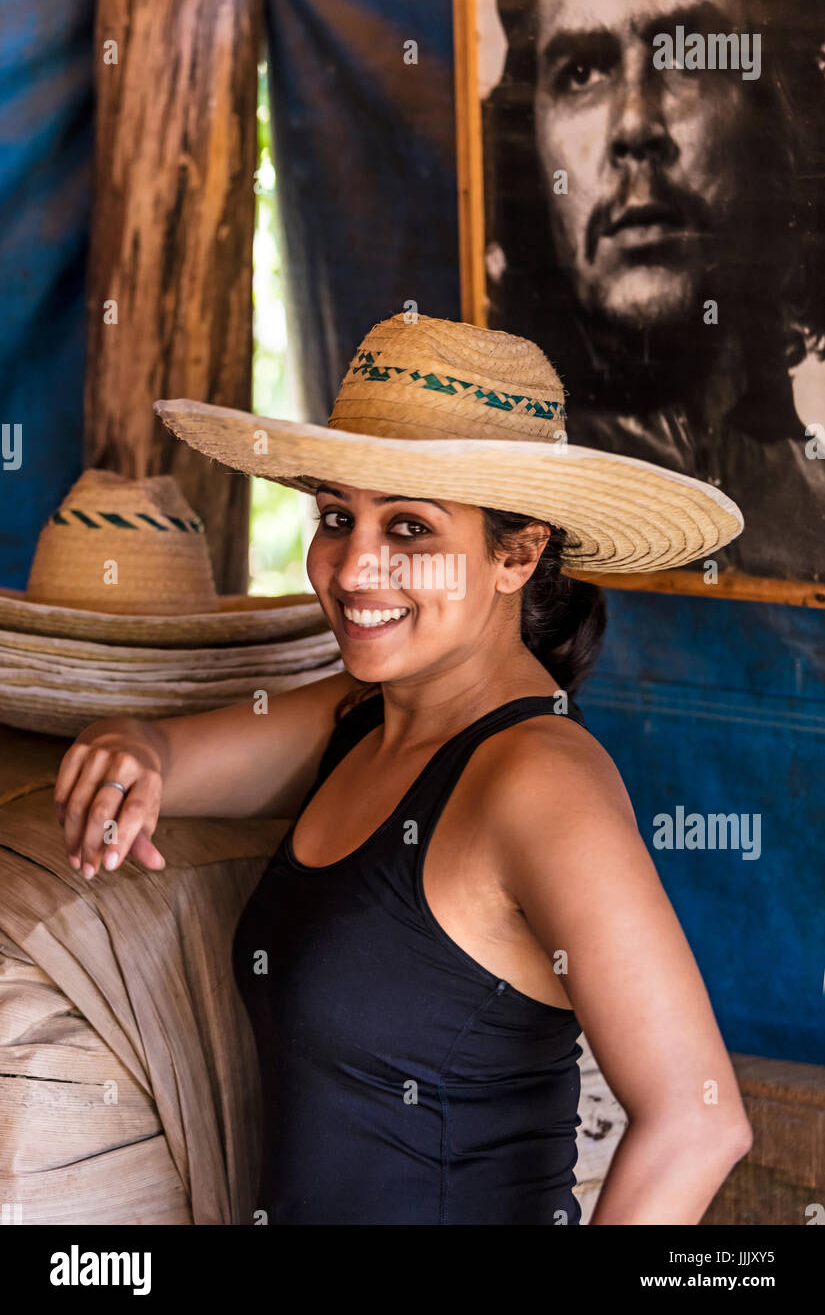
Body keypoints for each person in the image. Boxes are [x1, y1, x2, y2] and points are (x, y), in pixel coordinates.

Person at [52, 314, 751, 1225]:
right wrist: (130, 746)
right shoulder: (358, 720)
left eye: (410, 527)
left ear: (519, 552)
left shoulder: (539, 782)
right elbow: (165, 754)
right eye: (338, 517)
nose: (352, 567)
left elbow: (699, 1124)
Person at [484, 0, 825, 580]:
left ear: (776, 127)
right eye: (580, 71)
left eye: (690, 59)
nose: (635, 125)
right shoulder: (490, 516)